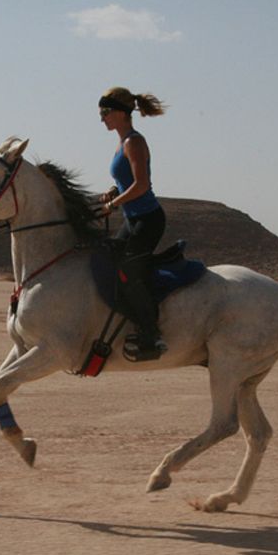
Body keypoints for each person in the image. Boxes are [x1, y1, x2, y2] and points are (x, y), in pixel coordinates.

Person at [97, 86, 169, 361]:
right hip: (132, 217)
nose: (102, 118)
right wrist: (114, 191)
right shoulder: (122, 142)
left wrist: (112, 205)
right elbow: (128, 181)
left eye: (105, 112)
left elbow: (142, 184)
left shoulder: (133, 142)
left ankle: (151, 333)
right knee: (108, 260)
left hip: (147, 219)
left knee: (128, 269)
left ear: (120, 113)